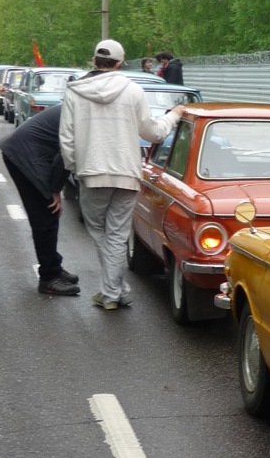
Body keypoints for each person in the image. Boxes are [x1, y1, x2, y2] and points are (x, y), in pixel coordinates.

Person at [60, 39, 182, 311]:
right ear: (119, 63)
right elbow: (153, 132)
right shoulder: (134, 91)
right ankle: (115, 291)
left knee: (100, 232)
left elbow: (67, 139)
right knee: (117, 233)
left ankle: (111, 292)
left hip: (91, 173)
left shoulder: (75, 92)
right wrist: (174, 115)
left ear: (94, 61)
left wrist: (75, 169)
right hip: (127, 173)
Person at [0, 104, 80, 297]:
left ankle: (54, 266)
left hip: (29, 150)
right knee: (45, 213)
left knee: (49, 213)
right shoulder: (84, 113)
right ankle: (49, 278)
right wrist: (55, 190)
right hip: (27, 154)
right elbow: (65, 155)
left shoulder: (80, 104)